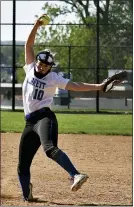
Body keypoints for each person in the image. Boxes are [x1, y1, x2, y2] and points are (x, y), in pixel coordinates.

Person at [17, 14, 106, 202]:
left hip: (44, 118)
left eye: (46, 66)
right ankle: (28, 195)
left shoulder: (54, 78)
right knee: (22, 166)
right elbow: (28, 45)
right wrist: (36, 25)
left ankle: (75, 175)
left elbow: (76, 85)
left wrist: (98, 87)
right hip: (29, 122)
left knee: (49, 149)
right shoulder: (30, 67)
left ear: (50, 68)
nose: (41, 67)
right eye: (41, 63)